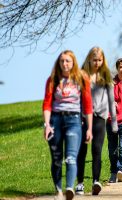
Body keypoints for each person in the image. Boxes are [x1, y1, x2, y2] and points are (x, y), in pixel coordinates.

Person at [43, 50, 93, 200]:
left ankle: (69, 188)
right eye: (62, 61)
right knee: (57, 159)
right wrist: (47, 125)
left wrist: (89, 128)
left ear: (73, 63)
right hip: (56, 121)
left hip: (74, 121)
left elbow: (88, 105)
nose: (65, 64)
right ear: (59, 63)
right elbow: (46, 104)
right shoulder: (52, 80)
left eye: (68, 61)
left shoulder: (82, 79)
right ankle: (58, 190)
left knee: (71, 157)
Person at [75, 47, 118, 195]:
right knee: (82, 150)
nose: (97, 63)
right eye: (95, 60)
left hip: (100, 117)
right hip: (83, 117)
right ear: (89, 59)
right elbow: (76, 98)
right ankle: (80, 183)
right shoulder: (81, 75)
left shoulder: (106, 75)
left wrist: (114, 122)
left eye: (100, 60)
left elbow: (112, 100)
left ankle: (96, 181)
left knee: (97, 150)